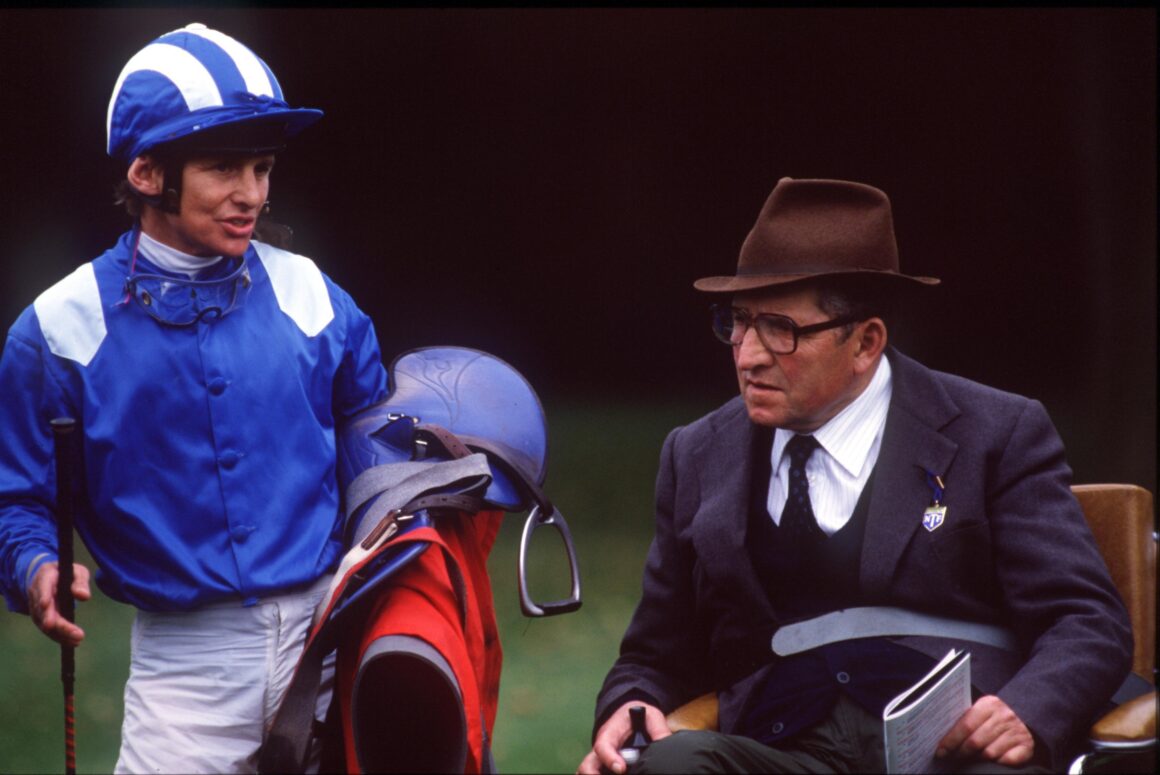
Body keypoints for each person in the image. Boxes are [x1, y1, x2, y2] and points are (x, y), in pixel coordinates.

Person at [578, 177, 1133, 774]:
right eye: (738, 321)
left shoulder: (994, 433)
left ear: (866, 343)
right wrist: (630, 701)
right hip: (782, 749)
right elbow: (656, 655)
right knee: (667, 765)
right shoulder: (695, 454)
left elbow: (1086, 620)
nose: (747, 354)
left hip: (958, 752)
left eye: (780, 329)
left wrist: (1026, 710)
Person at [0, 23, 389, 773]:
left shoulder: (310, 292)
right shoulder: (57, 328)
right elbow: (17, 497)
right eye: (222, 168)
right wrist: (35, 568)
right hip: (186, 669)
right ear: (147, 174)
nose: (252, 194)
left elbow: (372, 440)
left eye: (262, 167)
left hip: (331, 631)